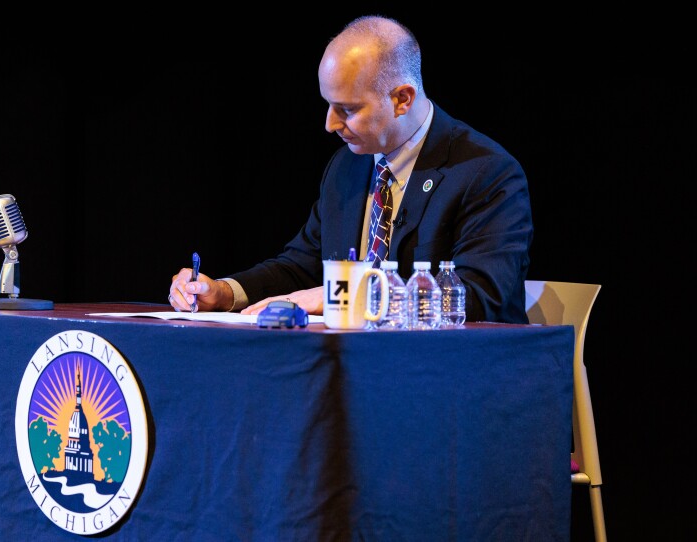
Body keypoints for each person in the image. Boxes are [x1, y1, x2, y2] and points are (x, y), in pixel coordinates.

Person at [168, 15, 533, 324]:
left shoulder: (487, 172)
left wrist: (346, 298)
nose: (329, 124)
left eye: (347, 109)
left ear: (402, 99)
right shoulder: (348, 166)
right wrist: (225, 292)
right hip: (354, 372)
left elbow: (481, 297)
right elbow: (303, 265)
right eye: (328, 105)